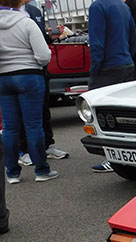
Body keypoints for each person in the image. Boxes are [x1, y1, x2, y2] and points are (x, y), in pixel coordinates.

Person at [0, 0, 57, 182]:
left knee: (9, 127)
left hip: (3, 77)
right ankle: (41, 170)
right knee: (33, 126)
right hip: (29, 76)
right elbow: (43, 55)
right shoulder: (26, 22)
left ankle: (12, 173)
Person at [87, 0, 136, 172]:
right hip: (125, 64)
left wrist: (95, 69)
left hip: (107, 68)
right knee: (124, 115)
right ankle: (129, 156)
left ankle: (112, 158)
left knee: (101, 116)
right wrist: (126, 57)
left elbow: (96, 42)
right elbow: (134, 39)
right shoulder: (123, 6)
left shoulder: (97, 6)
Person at [17, 0, 69, 163]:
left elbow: (40, 40)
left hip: (40, 68)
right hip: (17, 70)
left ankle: (48, 145)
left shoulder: (34, 11)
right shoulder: (7, 11)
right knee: (19, 112)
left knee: (44, 109)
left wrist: (50, 37)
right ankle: (23, 151)